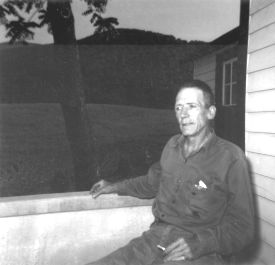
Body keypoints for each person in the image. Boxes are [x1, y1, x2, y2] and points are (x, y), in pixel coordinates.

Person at [88, 80, 255, 265]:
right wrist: (114, 186)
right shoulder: (171, 147)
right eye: (178, 108)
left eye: (192, 106)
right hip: (154, 239)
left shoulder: (231, 158)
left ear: (210, 112)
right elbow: (151, 183)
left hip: (199, 250)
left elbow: (243, 228)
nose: (183, 114)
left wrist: (200, 244)